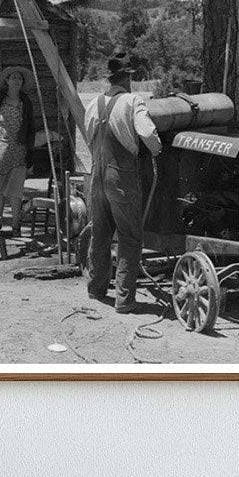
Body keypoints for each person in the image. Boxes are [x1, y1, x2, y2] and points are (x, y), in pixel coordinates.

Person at [84, 52, 161, 314]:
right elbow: (148, 133)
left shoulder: (95, 103)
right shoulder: (132, 101)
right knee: (129, 236)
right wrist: (157, 149)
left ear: (110, 79)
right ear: (127, 78)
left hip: (96, 177)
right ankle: (124, 299)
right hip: (121, 178)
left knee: (100, 233)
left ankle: (96, 289)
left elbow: (89, 137)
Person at [0, 67, 35, 235]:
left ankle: (16, 227)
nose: (17, 81)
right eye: (14, 78)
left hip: (18, 150)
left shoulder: (25, 102)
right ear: (7, 81)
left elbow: (31, 127)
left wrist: (30, 151)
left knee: (16, 191)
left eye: (19, 79)